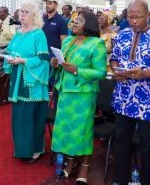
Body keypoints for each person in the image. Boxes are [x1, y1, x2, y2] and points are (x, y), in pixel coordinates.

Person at [110, 0, 150, 185]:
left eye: (137, 17)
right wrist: (116, 70)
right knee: (121, 141)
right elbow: (114, 58)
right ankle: (119, 179)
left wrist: (145, 73)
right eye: (130, 16)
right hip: (123, 97)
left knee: (147, 146)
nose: (133, 20)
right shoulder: (123, 34)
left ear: (148, 16)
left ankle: (147, 181)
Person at [50, 11, 107, 185]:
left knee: (81, 133)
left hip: (83, 95)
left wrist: (77, 70)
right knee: (66, 131)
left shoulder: (96, 44)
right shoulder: (68, 41)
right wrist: (56, 64)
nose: (74, 24)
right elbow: (63, 65)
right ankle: (71, 162)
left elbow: (101, 72)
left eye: (79, 21)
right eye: (74, 21)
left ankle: (85, 166)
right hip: (65, 92)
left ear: (88, 25)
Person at [3, 1, 49, 162]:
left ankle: (35, 150)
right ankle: (21, 149)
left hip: (32, 83)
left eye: (26, 12)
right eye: (21, 11)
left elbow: (44, 59)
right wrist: (9, 58)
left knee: (30, 116)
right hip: (17, 79)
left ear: (35, 16)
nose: (22, 15)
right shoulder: (18, 33)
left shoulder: (38, 34)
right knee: (19, 116)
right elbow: (9, 50)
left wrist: (23, 61)